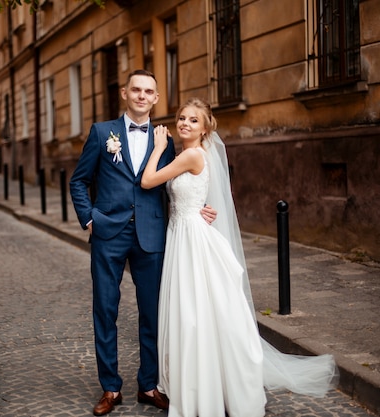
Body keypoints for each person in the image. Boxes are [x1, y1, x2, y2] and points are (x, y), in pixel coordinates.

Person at [141, 97, 339, 417]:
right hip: (184, 232)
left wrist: (156, 147)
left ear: (205, 128)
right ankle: (206, 378)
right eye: (181, 118)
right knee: (200, 310)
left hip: (190, 239)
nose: (184, 123)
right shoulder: (189, 155)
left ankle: (205, 383)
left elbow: (148, 181)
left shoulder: (191, 154)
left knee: (195, 311)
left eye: (193, 120)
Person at [69, 70, 216, 416]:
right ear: (124, 93)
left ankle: (149, 385)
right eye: (135, 89)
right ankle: (110, 388)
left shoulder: (167, 137)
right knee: (105, 310)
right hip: (108, 234)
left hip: (153, 235)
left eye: (148, 91)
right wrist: (89, 219)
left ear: (155, 98)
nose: (141, 95)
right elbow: (79, 181)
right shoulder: (102, 133)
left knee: (153, 313)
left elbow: (185, 175)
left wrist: (200, 207)